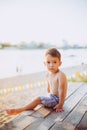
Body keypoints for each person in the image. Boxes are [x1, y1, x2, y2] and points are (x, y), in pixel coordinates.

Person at [6, 48, 67, 115]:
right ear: (45, 63)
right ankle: (31, 106)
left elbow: (62, 90)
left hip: (57, 100)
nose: (51, 65)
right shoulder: (48, 74)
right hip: (51, 96)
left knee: (38, 99)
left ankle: (21, 109)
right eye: (48, 62)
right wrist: (47, 96)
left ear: (60, 63)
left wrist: (60, 104)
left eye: (54, 62)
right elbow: (49, 88)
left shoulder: (60, 75)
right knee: (38, 99)